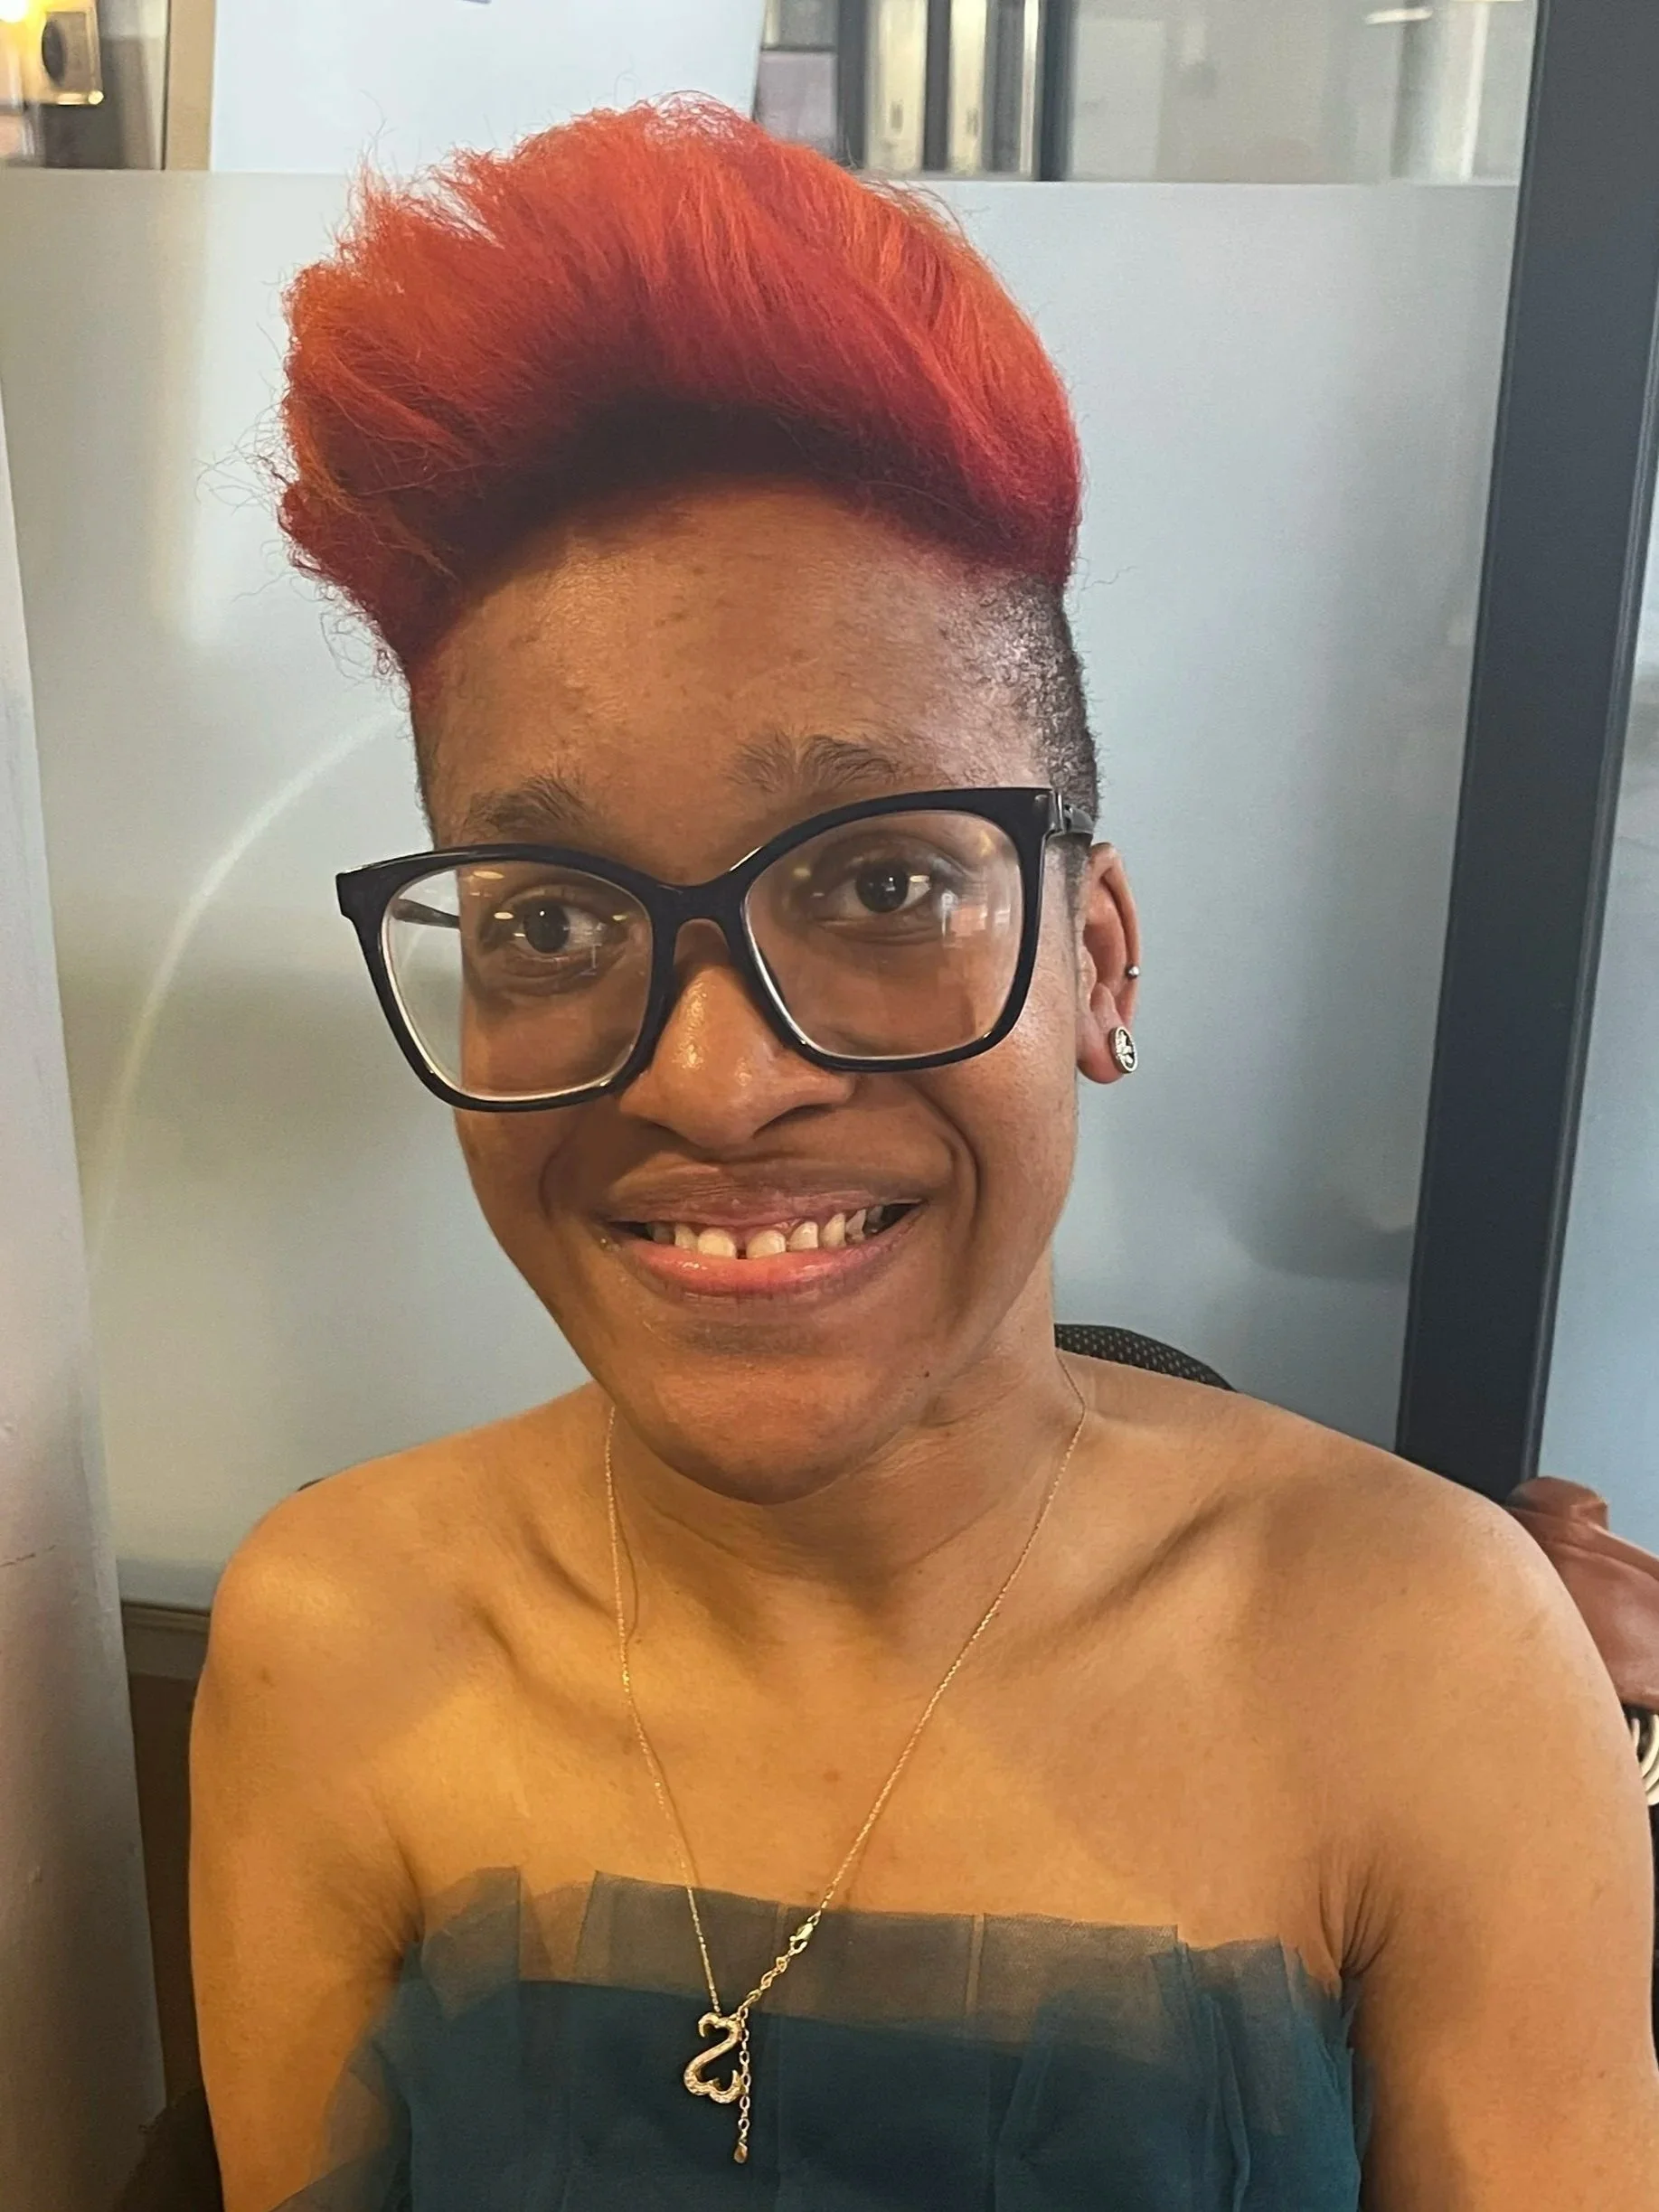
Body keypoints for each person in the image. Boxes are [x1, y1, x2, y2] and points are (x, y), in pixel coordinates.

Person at [188, 96, 1659, 2211]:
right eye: (547, 917)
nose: (706, 1080)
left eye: (880, 886)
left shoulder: (1420, 1665)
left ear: (1100, 961)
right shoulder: (339, 1633)